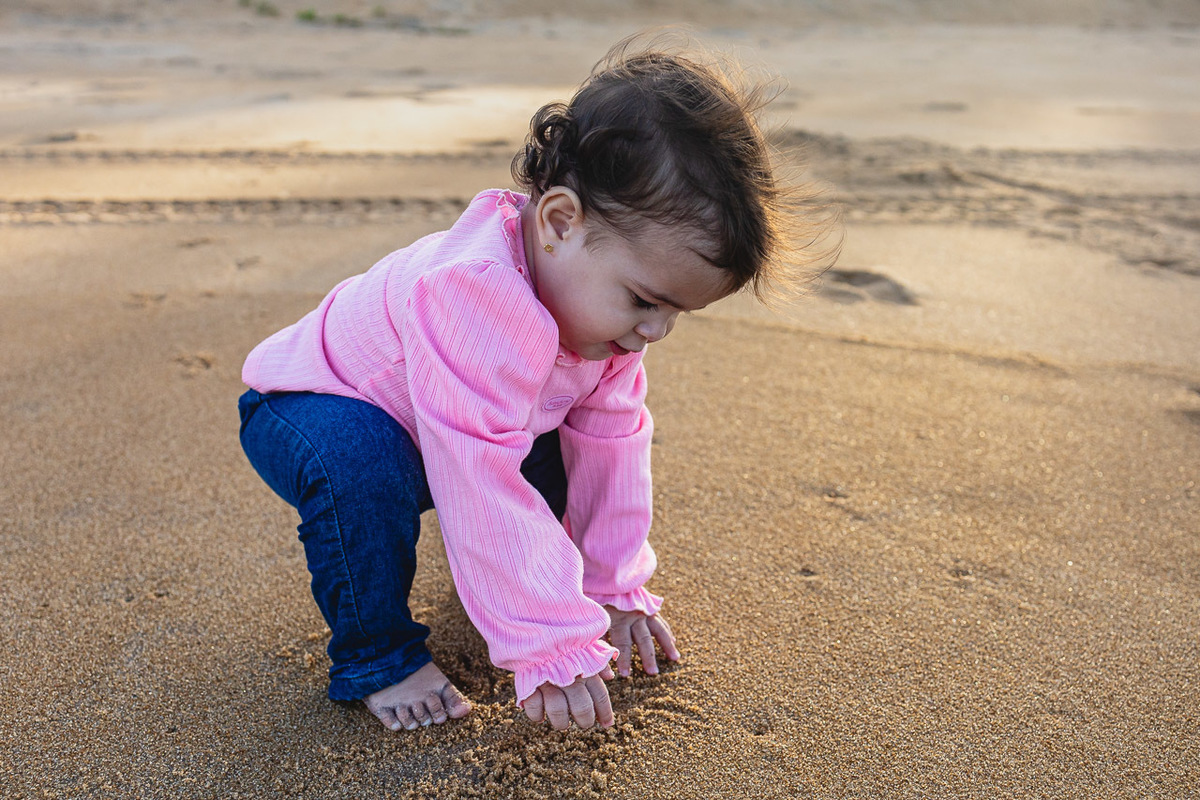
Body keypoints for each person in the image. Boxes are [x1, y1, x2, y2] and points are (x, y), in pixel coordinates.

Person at [237, 35, 835, 733]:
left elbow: (611, 445)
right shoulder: (472, 292)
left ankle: (533, 584)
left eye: (677, 312)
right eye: (645, 300)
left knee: (556, 451)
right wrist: (548, 643)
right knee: (362, 469)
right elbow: (476, 470)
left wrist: (613, 585)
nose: (656, 331)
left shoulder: (599, 316)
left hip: (453, 427)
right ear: (559, 221)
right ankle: (378, 657)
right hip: (314, 407)